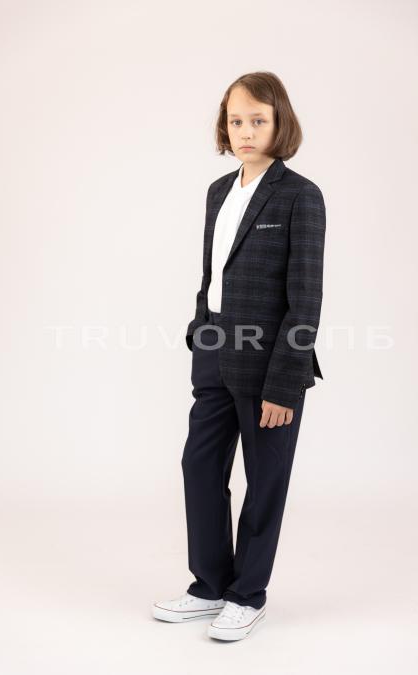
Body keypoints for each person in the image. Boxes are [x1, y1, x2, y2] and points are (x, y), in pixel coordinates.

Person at [152, 71, 326, 641]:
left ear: (280, 124)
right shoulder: (218, 191)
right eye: (236, 121)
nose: (246, 131)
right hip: (214, 352)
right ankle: (209, 586)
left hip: (270, 363)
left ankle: (247, 595)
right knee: (199, 466)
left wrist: (285, 383)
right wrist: (199, 330)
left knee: (264, 479)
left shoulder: (300, 195)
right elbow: (213, 274)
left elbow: (305, 298)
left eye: (258, 120)